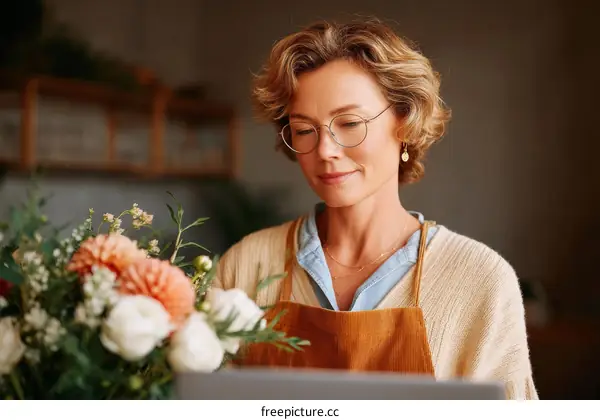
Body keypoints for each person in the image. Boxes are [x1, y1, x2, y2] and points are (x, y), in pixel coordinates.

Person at [212, 18, 538, 400]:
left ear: (405, 122)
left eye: (349, 123)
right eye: (304, 129)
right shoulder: (246, 265)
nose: (326, 150)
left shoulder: (480, 280)